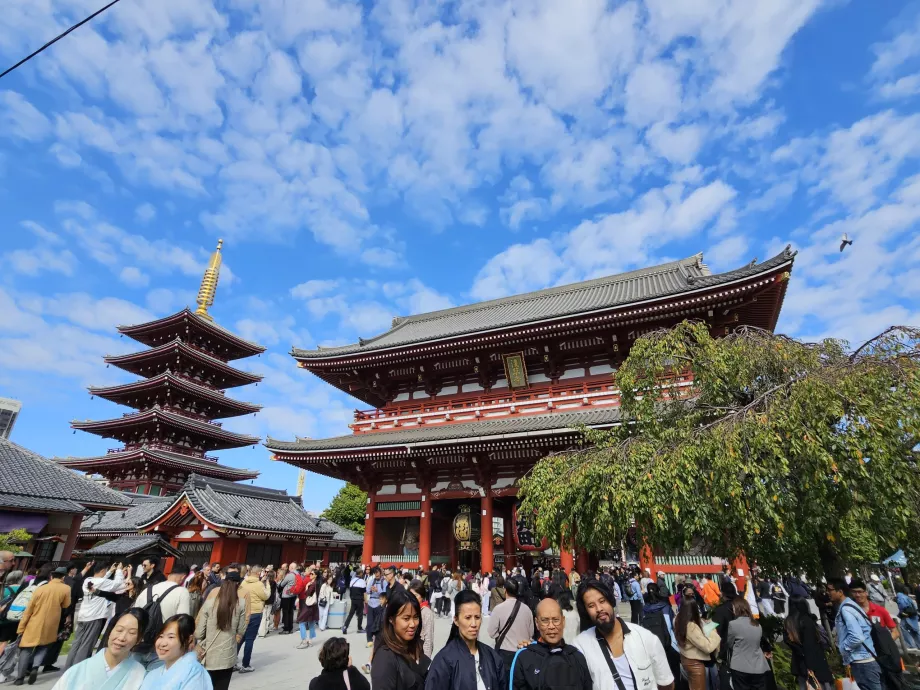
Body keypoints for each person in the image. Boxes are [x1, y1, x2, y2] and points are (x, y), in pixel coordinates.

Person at [572, 578, 674, 690]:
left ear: (611, 601)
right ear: (585, 611)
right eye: (591, 606)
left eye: (602, 601)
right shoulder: (580, 646)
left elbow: (666, 682)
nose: (599, 609)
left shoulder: (645, 638)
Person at [425, 589, 505, 690]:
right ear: (456, 620)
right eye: (468, 618)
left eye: (477, 617)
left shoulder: (492, 657)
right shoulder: (443, 661)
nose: (474, 624)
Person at [51, 608, 148, 690]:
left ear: (139, 639)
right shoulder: (77, 671)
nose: (122, 637)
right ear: (110, 631)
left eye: (131, 633)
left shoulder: (139, 673)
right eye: (119, 630)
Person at [511, 598, 592, 690]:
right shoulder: (524, 657)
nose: (551, 626)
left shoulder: (577, 656)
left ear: (563, 621)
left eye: (555, 620)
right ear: (537, 623)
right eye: (545, 621)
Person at [14, 567, 71, 686]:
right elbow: (66, 604)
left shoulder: (41, 589)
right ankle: (35, 667)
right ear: (63, 577)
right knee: (43, 647)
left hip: (34, 622)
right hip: (51, 623)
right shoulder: (66, 588)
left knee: (26, 650)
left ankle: (20, 677)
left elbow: (29, 609)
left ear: (51, 576)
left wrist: (21, 627)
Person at [66, 562, 126, 669]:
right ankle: (78, 669)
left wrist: (109, 571)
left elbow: (101, 581)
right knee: (86, 645)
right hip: (94, 617)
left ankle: (68, 667)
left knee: (76, 643)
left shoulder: (88, 580)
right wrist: (119, 571)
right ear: (103, 571)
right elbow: (119, 584)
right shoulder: (102, 582)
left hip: (83, 616)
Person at [827, 578, 882, 690]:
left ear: (840, 592)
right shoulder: (851, 605)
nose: (827, 593)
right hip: (865, 659)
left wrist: (843, 648)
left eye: (830, 590)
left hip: (863, 662)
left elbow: (857, 637)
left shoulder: (846, 609)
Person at [371, 588, 430, 690]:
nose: (412, 624)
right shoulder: (385, 658)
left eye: (415, 617)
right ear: (391, 619)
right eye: (406, 618)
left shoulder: (415, 646)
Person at [196, 577, 247, 689]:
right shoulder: (241, 604)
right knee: (222, 686)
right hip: (227, 653)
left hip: (209, 653)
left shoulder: (209, 604)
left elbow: (199, 633)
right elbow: (242, 629)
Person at [139, 614, 212, 689]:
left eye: (171, 637)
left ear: (189, 640)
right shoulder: (152, 674)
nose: (163, 643)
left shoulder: (194, 672)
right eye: (161, 636)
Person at [783, 597, 833, 690]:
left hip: (799, 663)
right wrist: (810, 666)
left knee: (805, 686)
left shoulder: (788, 623)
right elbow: (809, 645)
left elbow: (789, 641)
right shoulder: (807, 620)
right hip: (815, 662)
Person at [486, 576, 534, 669]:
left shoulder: (498, 609)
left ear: (505, 590)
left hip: (505, 652)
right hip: (523, 652)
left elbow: (491, 633)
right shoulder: (527, 609)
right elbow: (531, 633)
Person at [726, 598, 772, 690]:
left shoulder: (733, 624)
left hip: (740, 665)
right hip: (758, 666)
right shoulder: (757, 625)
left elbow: (730, 644)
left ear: (737, 609)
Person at [675, 599, 720, 690]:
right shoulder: (691, 626)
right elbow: (708, 647)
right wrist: (713, 632)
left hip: (686, 659)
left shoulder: (678, 620)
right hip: (695, 664)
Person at [96, 574, 143, 652]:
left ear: (135, 585)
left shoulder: (138, 599)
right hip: (115, 622)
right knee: (106, 643)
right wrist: (97, 591)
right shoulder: (122, 596)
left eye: (128, 583)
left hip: (127, 625)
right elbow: (109, 595)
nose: (126, 585)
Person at [237, 564, 269, 671]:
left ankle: (232, 662)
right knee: (250, 639)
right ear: (259, 573)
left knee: (240, 637)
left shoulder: (244, 582)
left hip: (244, 612)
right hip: (255, 612)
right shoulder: (259, 584)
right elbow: (265, 596)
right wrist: (267, 584)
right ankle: (245, 664)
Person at [409, 580, 435, 661]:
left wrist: (425, 660)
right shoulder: (409, 609)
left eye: (416, 595)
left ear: (422, 596)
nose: (413, 598)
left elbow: (428, 639)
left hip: (420, 653)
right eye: (411, 595)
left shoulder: (426, 612)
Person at [298, 569, 320, 650]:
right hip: (314, 605)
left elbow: (307, 593)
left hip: (309, 605)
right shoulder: (317, 583)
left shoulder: (313, 584)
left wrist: (307, 587)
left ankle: (304, 640)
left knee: (301, 622)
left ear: (315, 575)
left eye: (312, 573)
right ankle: (310, 640)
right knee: (311, 622)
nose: (310, 574)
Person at [895, 584, 920, 650]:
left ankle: (911, 645)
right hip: (913, 616)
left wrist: (900, 614)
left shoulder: (899, 596)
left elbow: (903, 607)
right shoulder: (906, 596)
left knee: (903, 628)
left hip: (907, 617)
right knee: (915, 631)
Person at [343, 568, 367, 635]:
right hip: (359, 600)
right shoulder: (362, 581)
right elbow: (364, 592)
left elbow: (350, 591)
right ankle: (359, 628)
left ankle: (345, 626)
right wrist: (366, 601)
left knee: (351, 614)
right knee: (360, 615)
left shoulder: (352, 581)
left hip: (353, 600)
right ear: (361, 573)